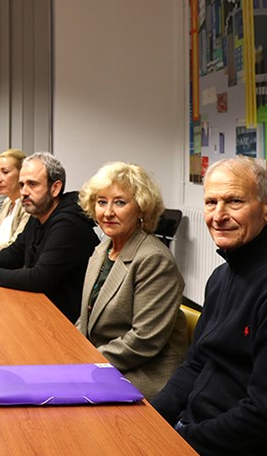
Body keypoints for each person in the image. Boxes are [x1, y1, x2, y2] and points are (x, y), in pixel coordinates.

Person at [152, 157, 267, 454]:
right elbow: (196, 363)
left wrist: (181, 441)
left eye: (234, 201)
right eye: (211, 202)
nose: (218, 216)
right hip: (194, 426)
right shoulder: (221, 277)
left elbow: (265, 415)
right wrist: (153, 418)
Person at [75, 162, 187, 400]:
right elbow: (87, 317)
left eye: (120, 202)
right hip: (104, 363)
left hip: (142, 373)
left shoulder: (153, 258)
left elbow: (144, 341)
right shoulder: (103, 249)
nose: (108, 212)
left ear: (142, 209)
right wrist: (69, 350)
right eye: (101, 202)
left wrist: (85, 363)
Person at [0, 152, 99, 323]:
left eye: (32, 184)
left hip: (67, 322)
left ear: (55, 188)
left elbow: (38, 279)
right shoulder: (39, 214)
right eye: (22, 185)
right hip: (42, 309)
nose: (24, 192)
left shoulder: (68, 224)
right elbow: (16, 252)